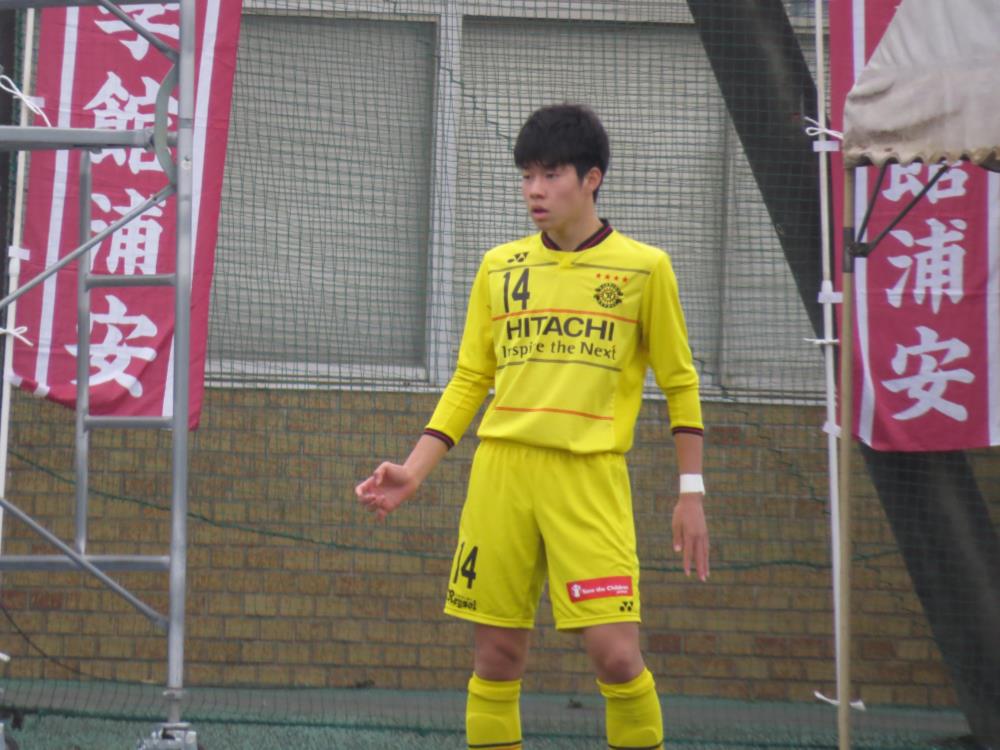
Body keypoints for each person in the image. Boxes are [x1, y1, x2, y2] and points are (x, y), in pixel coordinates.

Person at [356, 103, 709, 750]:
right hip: (503, 478)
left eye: (551, 174)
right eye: (526, 176)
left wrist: (692, 492)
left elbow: (680, 382)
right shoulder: (500, 267)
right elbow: (471, 378)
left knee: (616, 657)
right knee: (496, 657)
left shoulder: (645, 268)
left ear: (592, 178)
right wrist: (414, 469)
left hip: (589, 481)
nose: (535, 191)